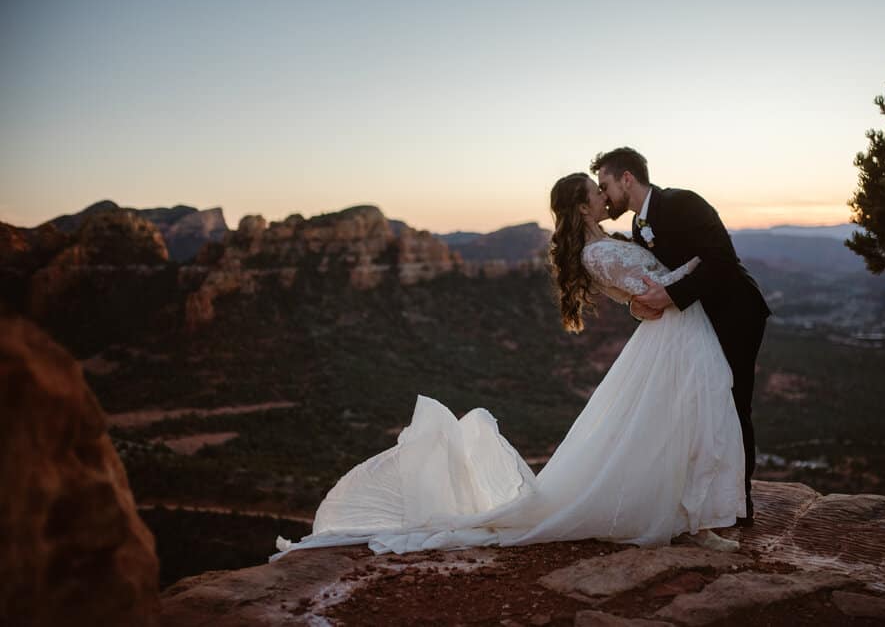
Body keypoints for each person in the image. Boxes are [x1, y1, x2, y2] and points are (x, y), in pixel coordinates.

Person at [272, 172, 745, 560]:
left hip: (677, 333)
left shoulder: (606, 241)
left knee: (691, 419)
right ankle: (691, 520)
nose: (604, 196)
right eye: (596, 192)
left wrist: (656, 292)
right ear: (582, 207)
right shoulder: (596, 252)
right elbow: (651, 294)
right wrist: (706, 260)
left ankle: (693, 517)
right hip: (673, 336)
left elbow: (641, 297)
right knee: (690, 419)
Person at [593, 147, 770, 525]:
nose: (604, 195)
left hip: (735, 312)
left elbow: (722, 259)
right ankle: (701, 498)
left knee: (732, 402)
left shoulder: (683, 202)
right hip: (696, 321)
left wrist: (672, 296)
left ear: (627, 178)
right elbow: (656, 275)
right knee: (696, 406)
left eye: (605, 185)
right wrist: (639, 304)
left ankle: (739, 505)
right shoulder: (639, 227)